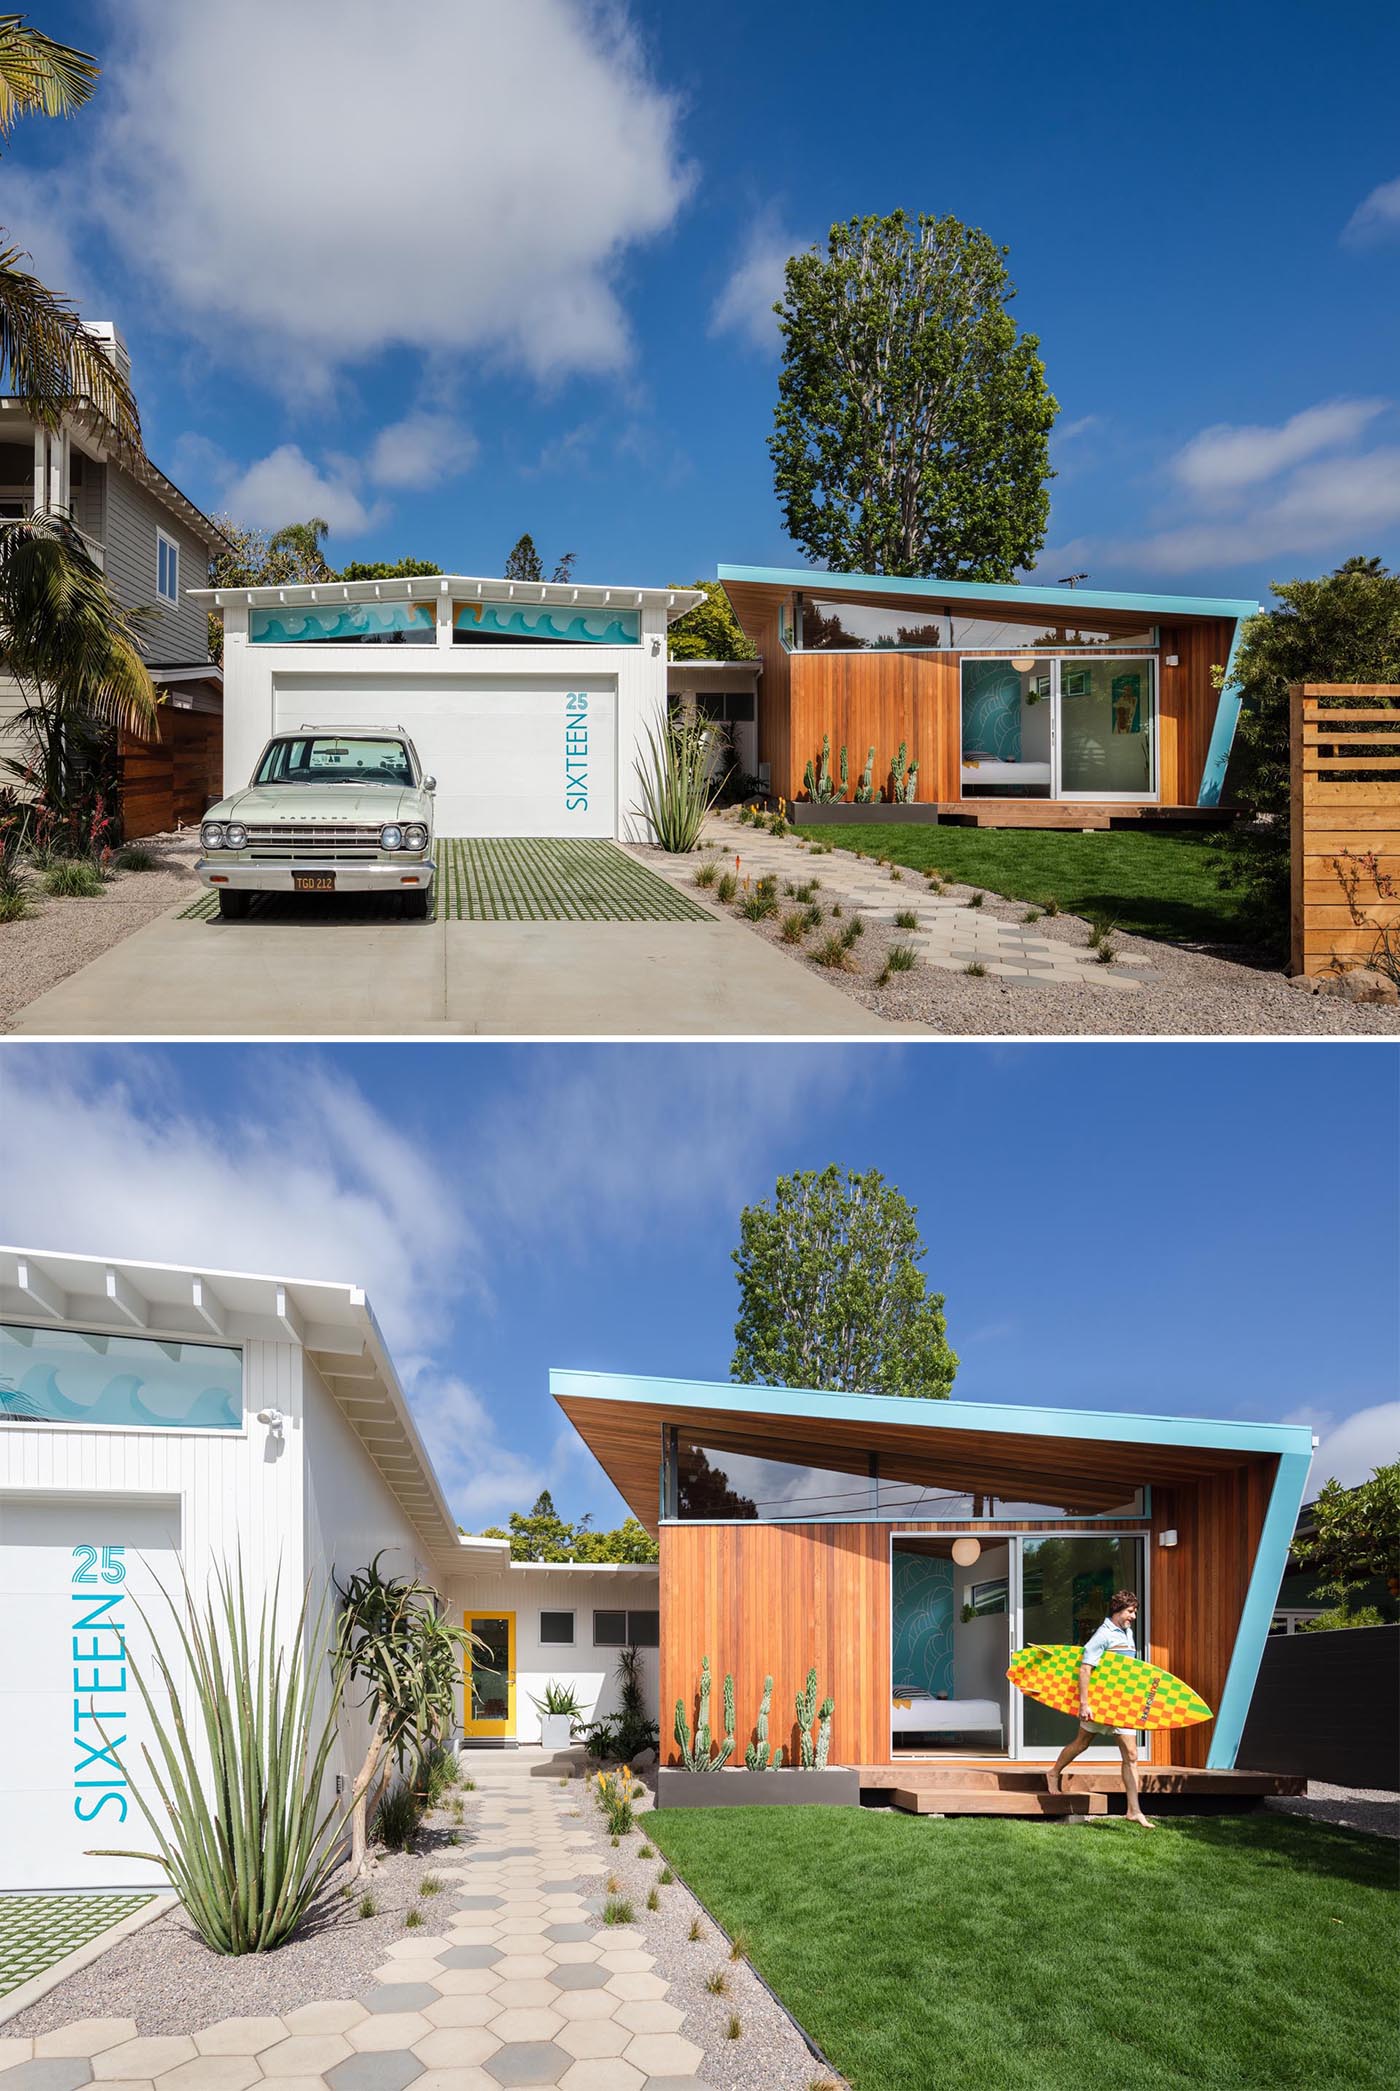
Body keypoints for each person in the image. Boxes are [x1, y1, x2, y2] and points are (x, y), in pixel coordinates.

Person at [1045, 1589, 1154, 1827]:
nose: (1133, 1616)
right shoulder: (1103, 1635)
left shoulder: (1127, 1632)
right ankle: (1053, 1773)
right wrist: (1085, 1703)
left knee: (1132, 1755)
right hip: (1101, 1703)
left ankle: (1133, 1810)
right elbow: (1086, 1668)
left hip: (1122, 1704)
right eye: (1130, 1611)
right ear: (1117, 1610)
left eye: (1134, 1612)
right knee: (1082, 1743)